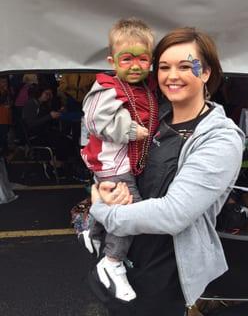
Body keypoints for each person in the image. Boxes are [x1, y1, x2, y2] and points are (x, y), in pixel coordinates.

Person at [88, 27, 245, 316]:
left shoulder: (219, 138)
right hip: (124, 254)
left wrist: (101, 212)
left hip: (165, 271)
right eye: (163, 67)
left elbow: (174, 214)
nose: (172, 76)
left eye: (186, 66)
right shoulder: (151, 118)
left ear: (206, 72)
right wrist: (100, 189)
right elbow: (113, 158)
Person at [80, 18, 158, 302]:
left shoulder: (144, 88)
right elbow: (93, 119)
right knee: (130, 211)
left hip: (118, 163)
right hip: (113, 165)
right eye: (127, 59)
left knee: (113, 204)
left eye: (142, 59)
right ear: (113, 61)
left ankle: (93, 229)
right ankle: (111, 263)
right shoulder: (107, 87)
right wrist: (129, 130)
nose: (135, 65)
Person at [22, 83, 75, 169]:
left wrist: (57, 113)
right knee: (63, 141)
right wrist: (49, 116)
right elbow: (31, 124)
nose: (48, 96)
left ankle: (57, 163)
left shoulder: (42, 104)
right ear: (40, 93)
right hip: (35, 136)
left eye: (50, 94)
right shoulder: (31, 104)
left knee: (66, 139)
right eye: (46, 94)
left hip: (43, 133)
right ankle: (56, 164)